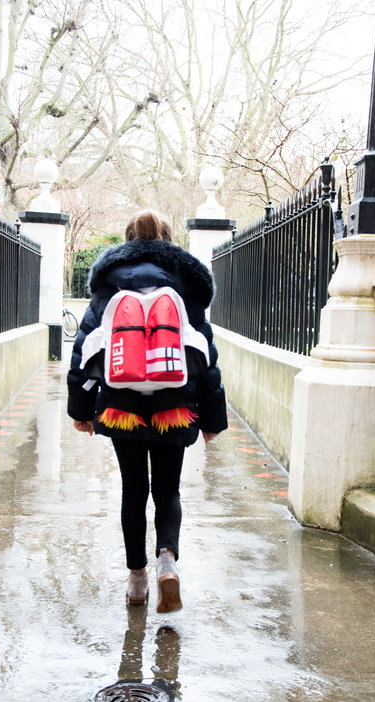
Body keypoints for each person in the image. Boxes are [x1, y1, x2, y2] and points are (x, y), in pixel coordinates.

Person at [67, 209, 227, 612]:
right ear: (168, 239)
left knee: (133, 491)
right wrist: (211, 418)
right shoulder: (185, 286)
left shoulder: (108, 287)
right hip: (173, 408)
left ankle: (137, 581)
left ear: (127, 241)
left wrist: (81, 409)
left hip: (123, 408)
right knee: (168, 489)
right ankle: (167, 561)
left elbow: (84, 352)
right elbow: (206, 357)